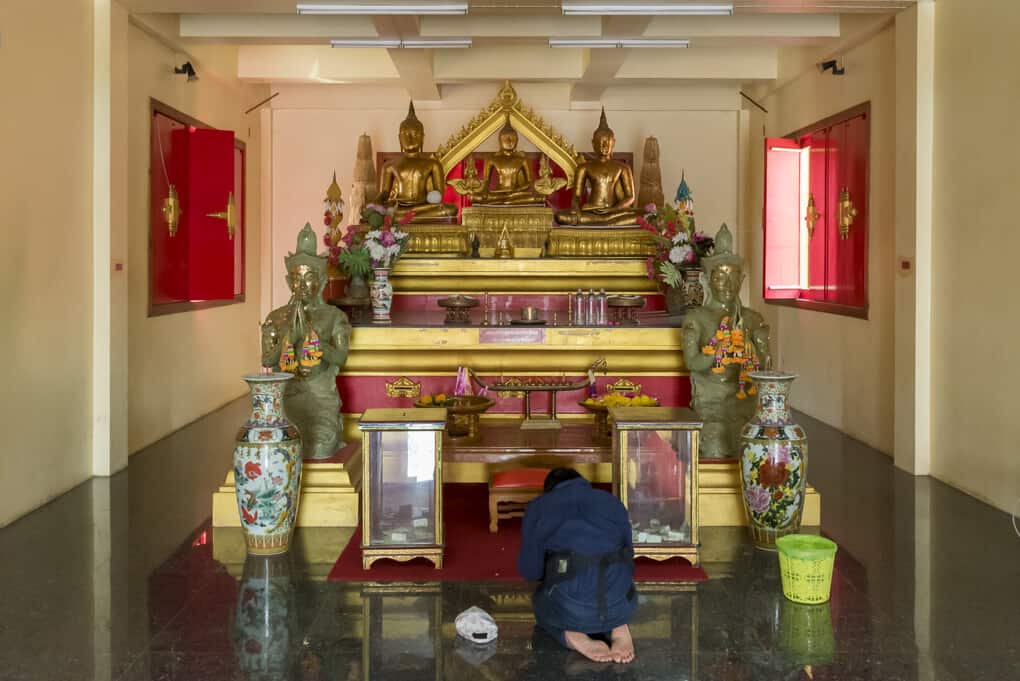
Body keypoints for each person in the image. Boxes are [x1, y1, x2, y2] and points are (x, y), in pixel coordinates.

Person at [517, 468, 637, 664]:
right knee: (610, 581)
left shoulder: (539, 506)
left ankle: (573, 634)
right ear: (583, 482)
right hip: (622, 600)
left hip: (571, 604)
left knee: (540, 601)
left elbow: (530, 570)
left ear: (549, 490)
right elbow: (629, 557)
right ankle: (618, 625)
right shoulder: (612, 501)